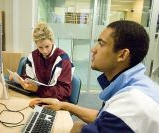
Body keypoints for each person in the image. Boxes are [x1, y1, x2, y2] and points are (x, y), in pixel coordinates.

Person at [29, 20, 159, 133]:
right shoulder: (137, 85)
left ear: (122, 55)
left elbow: (114, 117)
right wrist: (64, 105)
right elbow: (102, 116)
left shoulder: (130, 104)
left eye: (101, 44)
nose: (93, 49)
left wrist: (77, 129)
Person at [10, 22, 74, 101]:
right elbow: (29, 78)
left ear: (52, 41)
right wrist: (19, 79)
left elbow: (65, 90)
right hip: (38, 96)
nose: (44, 51)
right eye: (40, 47)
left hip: (57, 101)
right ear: (36, 44)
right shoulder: (32, 56)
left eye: (47, 46)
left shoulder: (63, 59)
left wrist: (38, 89)